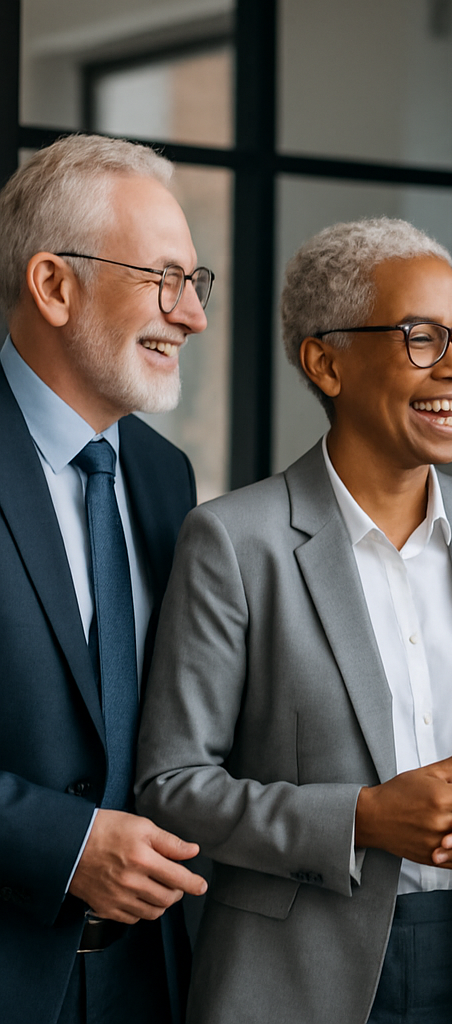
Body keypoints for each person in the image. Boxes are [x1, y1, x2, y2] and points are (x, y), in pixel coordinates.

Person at [135, 217, 452, 1024]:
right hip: (298, 975)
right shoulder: (234, 540)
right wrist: (362, 818)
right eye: (422, 338)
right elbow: (174, 787)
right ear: (326, 361)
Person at [0, 135, 212, 1024]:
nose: (192, 315)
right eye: (165, 278)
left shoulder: (167, 477)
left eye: (197, 283)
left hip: (150, 983)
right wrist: (63, 844)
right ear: (54, 285)